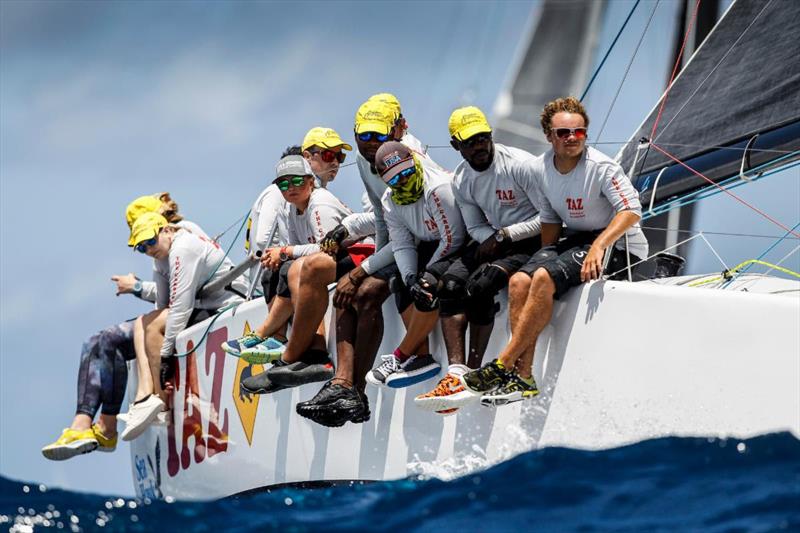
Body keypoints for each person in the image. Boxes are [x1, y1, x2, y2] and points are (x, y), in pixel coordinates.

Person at [461, 96, 648, 406]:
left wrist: (599, 245)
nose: (572, 138)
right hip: (574, 239)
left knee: (545, 278)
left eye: (579, 132)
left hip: (618, 244)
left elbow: (630, 210)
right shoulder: (539, 168)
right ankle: (524, 377)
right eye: (563, 133)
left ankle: (503, 364)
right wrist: (542, 256)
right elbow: (548, 217)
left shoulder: (601, 167)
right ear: (549, 136)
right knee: (521, 281)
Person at [295, 96, 444, 427]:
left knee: (361, 291)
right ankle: (344, 387)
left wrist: (366, 269)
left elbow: (410, 233)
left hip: (431, 244)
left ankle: (354, 388)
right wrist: (371, 258)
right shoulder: (367, 158)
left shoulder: (408, 161)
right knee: (346, 293)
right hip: (402, 242)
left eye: (379, 137)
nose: (370, 144)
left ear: (397, 131)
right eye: (364, 136)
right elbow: (382, 217)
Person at [42, 194, 205, 460]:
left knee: (110, 339)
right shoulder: (160, 249)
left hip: (195, 310)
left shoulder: (184, 237)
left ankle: (105, 428)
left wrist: (137, 287)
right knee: (93, 341)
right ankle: (83, 426)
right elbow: (166, 296)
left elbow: (183, 292)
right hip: (177, 310)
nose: (145, 245)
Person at [413, 106, 543, 413]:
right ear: (456, 146)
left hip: (529, 240)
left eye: (483, 138)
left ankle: (474, 375)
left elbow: (549, 218)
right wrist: (494, 238)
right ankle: (457, 374)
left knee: (481, 285)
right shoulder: (461, 179)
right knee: (449, 284)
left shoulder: (520, 165)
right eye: (470, 142)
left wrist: (506, 235)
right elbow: (473, 226)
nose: (479, 145)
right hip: (496, 239)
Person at [231, 154, 354, 394]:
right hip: (329, 261)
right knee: (288, 268)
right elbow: (302, 251)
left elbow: (327, 246)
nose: (291, 189)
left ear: (310, 181)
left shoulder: (320, 203)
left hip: (356, 255)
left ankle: (286, 356)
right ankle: (309, 348)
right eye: (283, 184)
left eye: (297, 181)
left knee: (299, 267)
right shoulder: (291, 209)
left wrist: (284, 251)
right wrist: (283, 255)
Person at [122, 211, 248, 438]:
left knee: (154, 328)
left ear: (167, 230)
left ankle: (162, 404)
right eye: (142, 248)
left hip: (227, 307)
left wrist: (165, 358)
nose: (149, 249)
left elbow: (180, 308)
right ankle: (146, 397)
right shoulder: (160, 258)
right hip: (206, 307)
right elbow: (162, 306)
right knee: (143, 323)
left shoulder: (183, 247)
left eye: (151, 241)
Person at [363, 141, 472, 393]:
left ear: (413, 160)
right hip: (433, 243)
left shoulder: (437, 188)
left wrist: (426, 273)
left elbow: (453, 238)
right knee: (400, 281)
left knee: (428, 284)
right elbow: (401, 244)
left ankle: (401, 354)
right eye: (394, 178)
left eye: (405, 172)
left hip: (464, 241)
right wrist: (411, 277)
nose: (402, 181)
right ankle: (421, 357)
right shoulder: (390, 201)